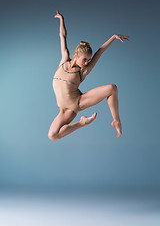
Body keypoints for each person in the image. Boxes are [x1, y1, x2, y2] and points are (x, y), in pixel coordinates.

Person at [48, 10, 129, 141]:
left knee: (112, 88)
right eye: (84, 59)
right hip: (64, 110)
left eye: (89, 60)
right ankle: (82, 123)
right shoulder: (64, 60)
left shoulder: (82, 72)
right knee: (52, 135)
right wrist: (61, 19)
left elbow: (100, 51)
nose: (87, 63)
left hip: (77, 103)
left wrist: (113, 37)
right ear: (76, 56)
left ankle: (116, 121)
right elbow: (62, 36)